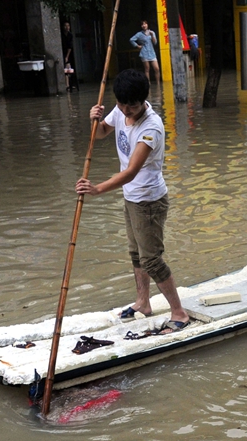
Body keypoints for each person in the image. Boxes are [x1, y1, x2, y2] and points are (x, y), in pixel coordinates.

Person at [74, 70, 189, 334]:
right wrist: (95, 120)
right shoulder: (121, 109)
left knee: (152, 260)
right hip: (131, 197)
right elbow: (102, 132)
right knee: (136, 254)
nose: (126, 111)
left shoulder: (151, 127)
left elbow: (131, 171)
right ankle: (143, 302)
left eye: (132, 106)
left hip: (149, 201)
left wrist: (97, 189)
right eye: (122, 105)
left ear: (143, 101)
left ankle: (178, 312)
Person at [61, 21, 78, 91]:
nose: (67, 27)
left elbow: (70, 47)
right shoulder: (61, 35)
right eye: (65, 26)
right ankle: (67, 85)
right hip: (63, 52)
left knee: (69, 69)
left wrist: (67, 56)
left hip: (69, 54)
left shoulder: (70, 35)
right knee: (65, 69)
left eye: (68, 26)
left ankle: (70, 84)